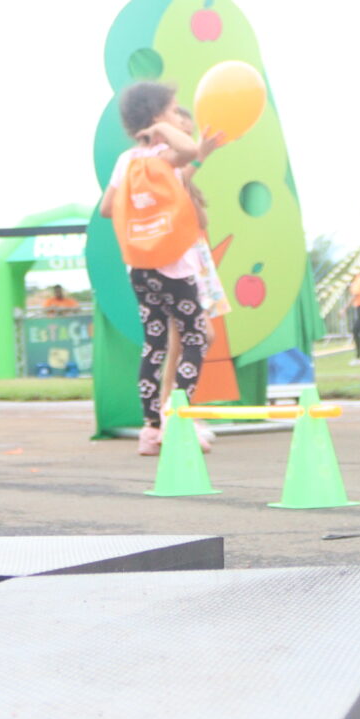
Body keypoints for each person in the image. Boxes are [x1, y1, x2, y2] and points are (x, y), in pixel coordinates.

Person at [102, 80, 222, 456]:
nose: (176, 115)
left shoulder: (127, 160)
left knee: (154, 342)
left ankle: (150, 428)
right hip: (173, 263)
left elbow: (107, 208)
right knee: (195, 337)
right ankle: (177, 417)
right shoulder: (163, 154)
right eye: (172, 109)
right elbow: (189, 149)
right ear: (157, 116)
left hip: (139, 265)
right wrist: (162, 131)